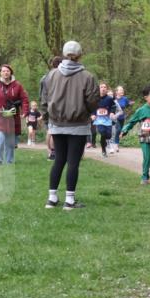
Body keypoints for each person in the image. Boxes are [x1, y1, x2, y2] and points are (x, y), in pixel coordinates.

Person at [40, 41, 100, 208]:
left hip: (57, 123)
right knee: (73, 161)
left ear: (64, 53)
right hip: (79, 124)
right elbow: (93, 102)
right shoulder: (87, 77)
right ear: (80, 55)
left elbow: (44, 100)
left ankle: (51, 199)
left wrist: (48, 120)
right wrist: (86, 111)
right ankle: (69, 200)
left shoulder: (51, 75)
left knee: (59, 159)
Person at [40, 56, 62, 159]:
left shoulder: (45, 77)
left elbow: (42, 96)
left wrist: (44, 112)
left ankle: (51, 152)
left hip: (48, 107)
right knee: (54, 131)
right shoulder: (62, 76)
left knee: (50, 131)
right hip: (58, 108)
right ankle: (54, 152)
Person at [93, 83, 116, 157]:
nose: (103, 88)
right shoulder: (95, 98)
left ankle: (103, 142)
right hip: (99, 120)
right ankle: (103, 150)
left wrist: (112, 112)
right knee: (102, 133)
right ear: (99, 89)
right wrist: (92, 115)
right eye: (101, 87)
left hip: (107, 120)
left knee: (108, 135)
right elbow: (92, 107)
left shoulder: (109, 98)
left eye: (105, 87)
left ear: (106, 89)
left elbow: (113, 106)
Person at [112, 85, 131, 154]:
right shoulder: (113, 99)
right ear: (116, 92)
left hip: (122, 117)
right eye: (120, 90)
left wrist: (127, 113)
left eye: (122, 90)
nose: (122, 91)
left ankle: (115, 142)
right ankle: (116, 145)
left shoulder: (125, 99)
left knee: (122, 131)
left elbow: (128, 106)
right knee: (118, 129)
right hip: (115, 117)